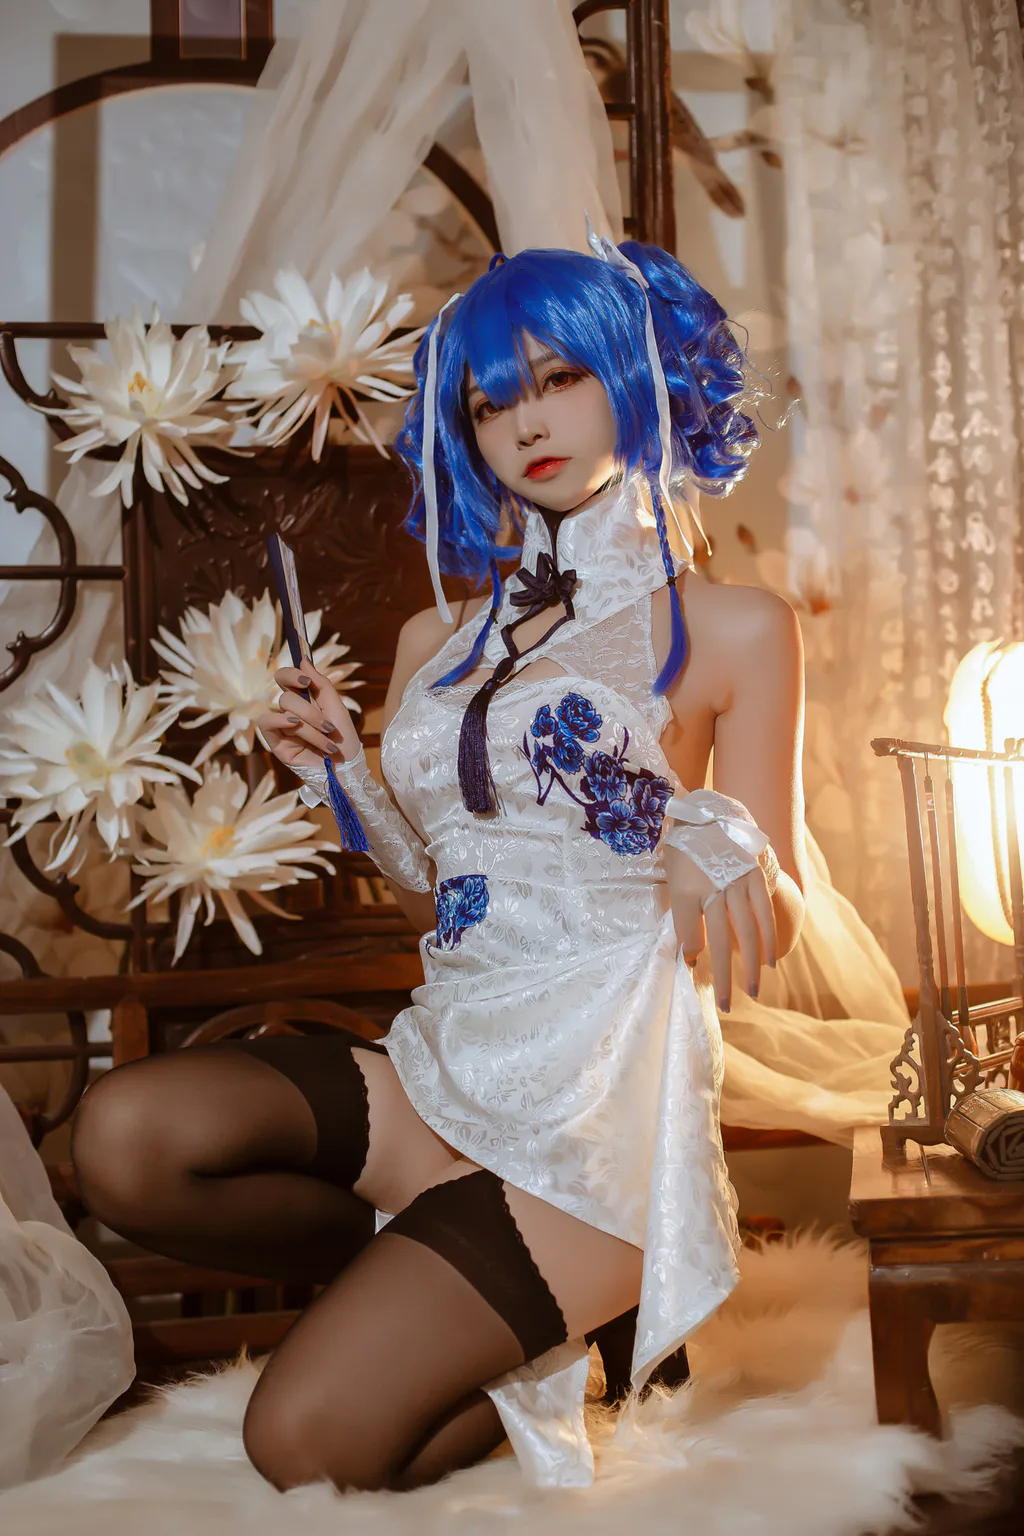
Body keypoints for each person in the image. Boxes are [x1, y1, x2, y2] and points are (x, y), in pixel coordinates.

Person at [70, 238, 806, 1493]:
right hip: (445, 1070)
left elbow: (776, 908)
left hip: (590, 1128)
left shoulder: (732, 625)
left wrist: (719, 838)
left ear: (634, 377)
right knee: (127, 1138)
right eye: (490, 401)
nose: (526, 424)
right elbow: (438, 896)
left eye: (560, 378)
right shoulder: (435, 637)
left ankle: (583, 1337)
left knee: (300, 1442)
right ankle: (448, 1289)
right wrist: (343, 774)